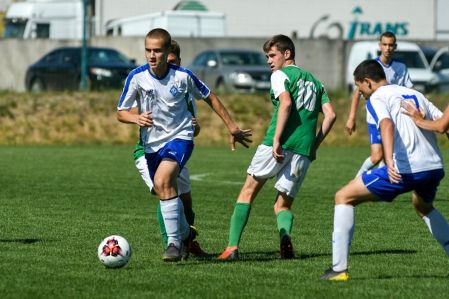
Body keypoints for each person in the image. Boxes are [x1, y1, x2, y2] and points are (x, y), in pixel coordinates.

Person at [117, 28, 252, 262]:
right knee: (164, 189)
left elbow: (211, 96)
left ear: (168, 51)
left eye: (157, 51)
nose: (152, 55)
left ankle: (172, 244)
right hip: (151, 146)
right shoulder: (136, 77)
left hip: (180, 138)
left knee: (163, 181)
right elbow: (120, 112)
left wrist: (232, 126)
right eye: (148, 50)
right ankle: (186, 234)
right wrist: (135, 118)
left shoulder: (183, 76)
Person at [321, 59, 449, 281]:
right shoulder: (415, 94)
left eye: (359, 87)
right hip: (434, 166)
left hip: (405, 169)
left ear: (368, 82)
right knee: (422, 206)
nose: (360, 93)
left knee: (343, 196)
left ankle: (339, 270)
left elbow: (386, 124)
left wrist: (389, 161)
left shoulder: (378, 97)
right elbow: (443, 125)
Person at [218, 34, 336, 261]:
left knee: (248, 192)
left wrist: (276, 140)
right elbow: (331, 115)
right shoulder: (315, 81)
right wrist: (314, 144)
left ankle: (232, 248)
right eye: (267, 57)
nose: (269, 61)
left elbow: (286, 103)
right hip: (303, 150)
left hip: (278, 144)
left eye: (272, 55)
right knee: (282, 204)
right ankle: (285, 239)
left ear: (287, 54)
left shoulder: (280, 75)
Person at [129, 40, 206, 257]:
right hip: (148, 151)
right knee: (164, 189)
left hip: (174, 149)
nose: (165, 64)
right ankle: (172, 243)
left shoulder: (184, 87)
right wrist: (137, 117)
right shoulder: (145, 82)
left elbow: (193, 127)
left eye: (172, 61)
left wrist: (196, 127)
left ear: (178, 61)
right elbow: (132, 111)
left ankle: (187, 240)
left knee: (186, 200)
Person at [346, 32, 413, 178]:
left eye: (391, 45)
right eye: (385, 44)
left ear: (395, 46)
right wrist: (352, 117)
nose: (388, 48)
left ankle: (382, 186)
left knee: (389, 155)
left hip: (396, 117)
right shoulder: (372, 67)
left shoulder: (401, 67)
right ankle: (357, 181)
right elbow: (358, 92)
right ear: (380, 45)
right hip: (375, 117)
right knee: (377, 156)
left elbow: (409, 91)